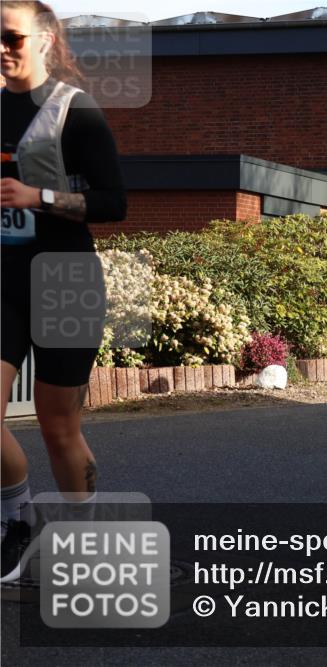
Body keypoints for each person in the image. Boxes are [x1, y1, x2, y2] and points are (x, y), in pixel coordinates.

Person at [1, 0, 127, 583]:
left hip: (65, 282)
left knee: (58, 427)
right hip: (3, 280)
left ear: (45, 40)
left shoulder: (74, 112)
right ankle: (17, 517)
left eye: (12, 37)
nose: (2, 48)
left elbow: (113, 203)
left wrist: (39, 198)